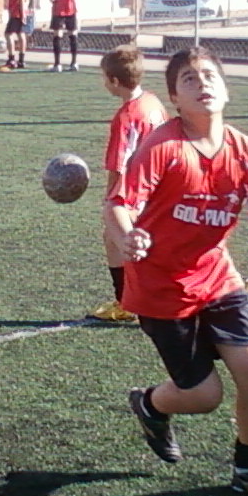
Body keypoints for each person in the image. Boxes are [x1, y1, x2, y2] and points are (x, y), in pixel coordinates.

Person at [104, 45, 248, 496]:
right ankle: (150, 405)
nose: (202, 83)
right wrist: (129, 236)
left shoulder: (247, 151)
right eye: (189, 79)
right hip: (160, 289)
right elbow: (117, 203)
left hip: (218, 278)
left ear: (226, 89)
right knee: (204, 395)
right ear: (174, 97)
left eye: (209, 75)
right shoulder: (164, 147)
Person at [89, 44, 167, 322]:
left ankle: (126, 303)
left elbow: (118, 165)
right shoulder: (152, 102)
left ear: (114, 81)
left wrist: (111, 199)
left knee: (114, 239)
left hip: (137, 189)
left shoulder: (125, 117)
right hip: (162, 183)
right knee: (161, 240)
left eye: (104, 78)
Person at [0, 0, 30, 71]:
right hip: (20, 12)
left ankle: (11, 59)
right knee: (21, 34)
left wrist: (22, 14)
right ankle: (21, 60)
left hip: (17, 13)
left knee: (8, 34)